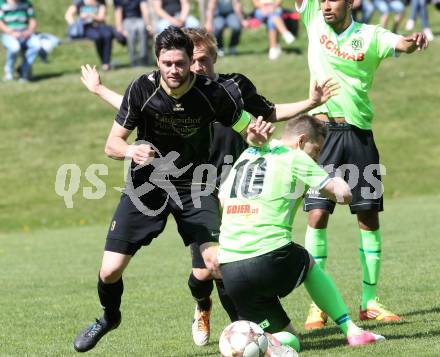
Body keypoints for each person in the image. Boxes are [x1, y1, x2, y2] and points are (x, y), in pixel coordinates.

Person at [73, 26, 338, 353]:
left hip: (195, 185)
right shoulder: (141, 88)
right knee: (110, 270)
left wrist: (258, 136)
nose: (174, 70)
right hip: (147, 187)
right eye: (167, 63)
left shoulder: (213, 94)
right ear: (158, 61)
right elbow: (112, 144)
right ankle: (109, 318)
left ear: (190, 62)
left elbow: (249, 127)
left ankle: (252, 333)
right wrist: (130, 151)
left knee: (216, 264)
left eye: (180, 63)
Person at [294, 0, 429, 330]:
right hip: (321, 134)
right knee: (317, 213)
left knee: (368, 216)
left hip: (359, 135)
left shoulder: (370, 35)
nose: (325, 5)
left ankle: (369, 302)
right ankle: (318, 305)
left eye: (332, 0)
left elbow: (400, 43)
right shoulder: (312, 15)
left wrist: (412, 41)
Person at [218, 115, 386, 354]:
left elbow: (223, 199)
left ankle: (268, 347)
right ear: (301, 140)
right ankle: (352, 331)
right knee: (306, 260)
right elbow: (343, 195)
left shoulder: (247, 156)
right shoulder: (294, 157)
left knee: (291, 339)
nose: (317, 157)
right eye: (316, 150)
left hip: (230, 269)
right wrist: (338, 179)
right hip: (269, 257)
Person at [65, 0, 115, 71]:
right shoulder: (80, 2)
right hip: (86, 27)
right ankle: (105, 62)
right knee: (98, 37)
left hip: (99, 26)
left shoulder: (100, 2)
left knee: (107, 35)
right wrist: (74, 25)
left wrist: (91, 15)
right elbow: (68, 15)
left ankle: (106, 63)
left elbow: (101, 17)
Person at [0, 0, 40, 81]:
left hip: (25, 32)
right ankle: (9, 72)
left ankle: (24, 70)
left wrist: (29, 31)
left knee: (37, 45)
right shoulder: (2, 4)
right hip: (9, 33)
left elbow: (33, 20)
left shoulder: (26, 3)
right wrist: (11, 32)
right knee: (15, 48)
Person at [114, 0, 153, 67]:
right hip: (127, 20)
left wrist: (148, 25)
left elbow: (144, 10)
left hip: (139, 19)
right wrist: (120, 28)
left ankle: (144, 58)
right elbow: (118, 12)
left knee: (142, 29)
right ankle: (134, 60)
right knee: (131, 34)